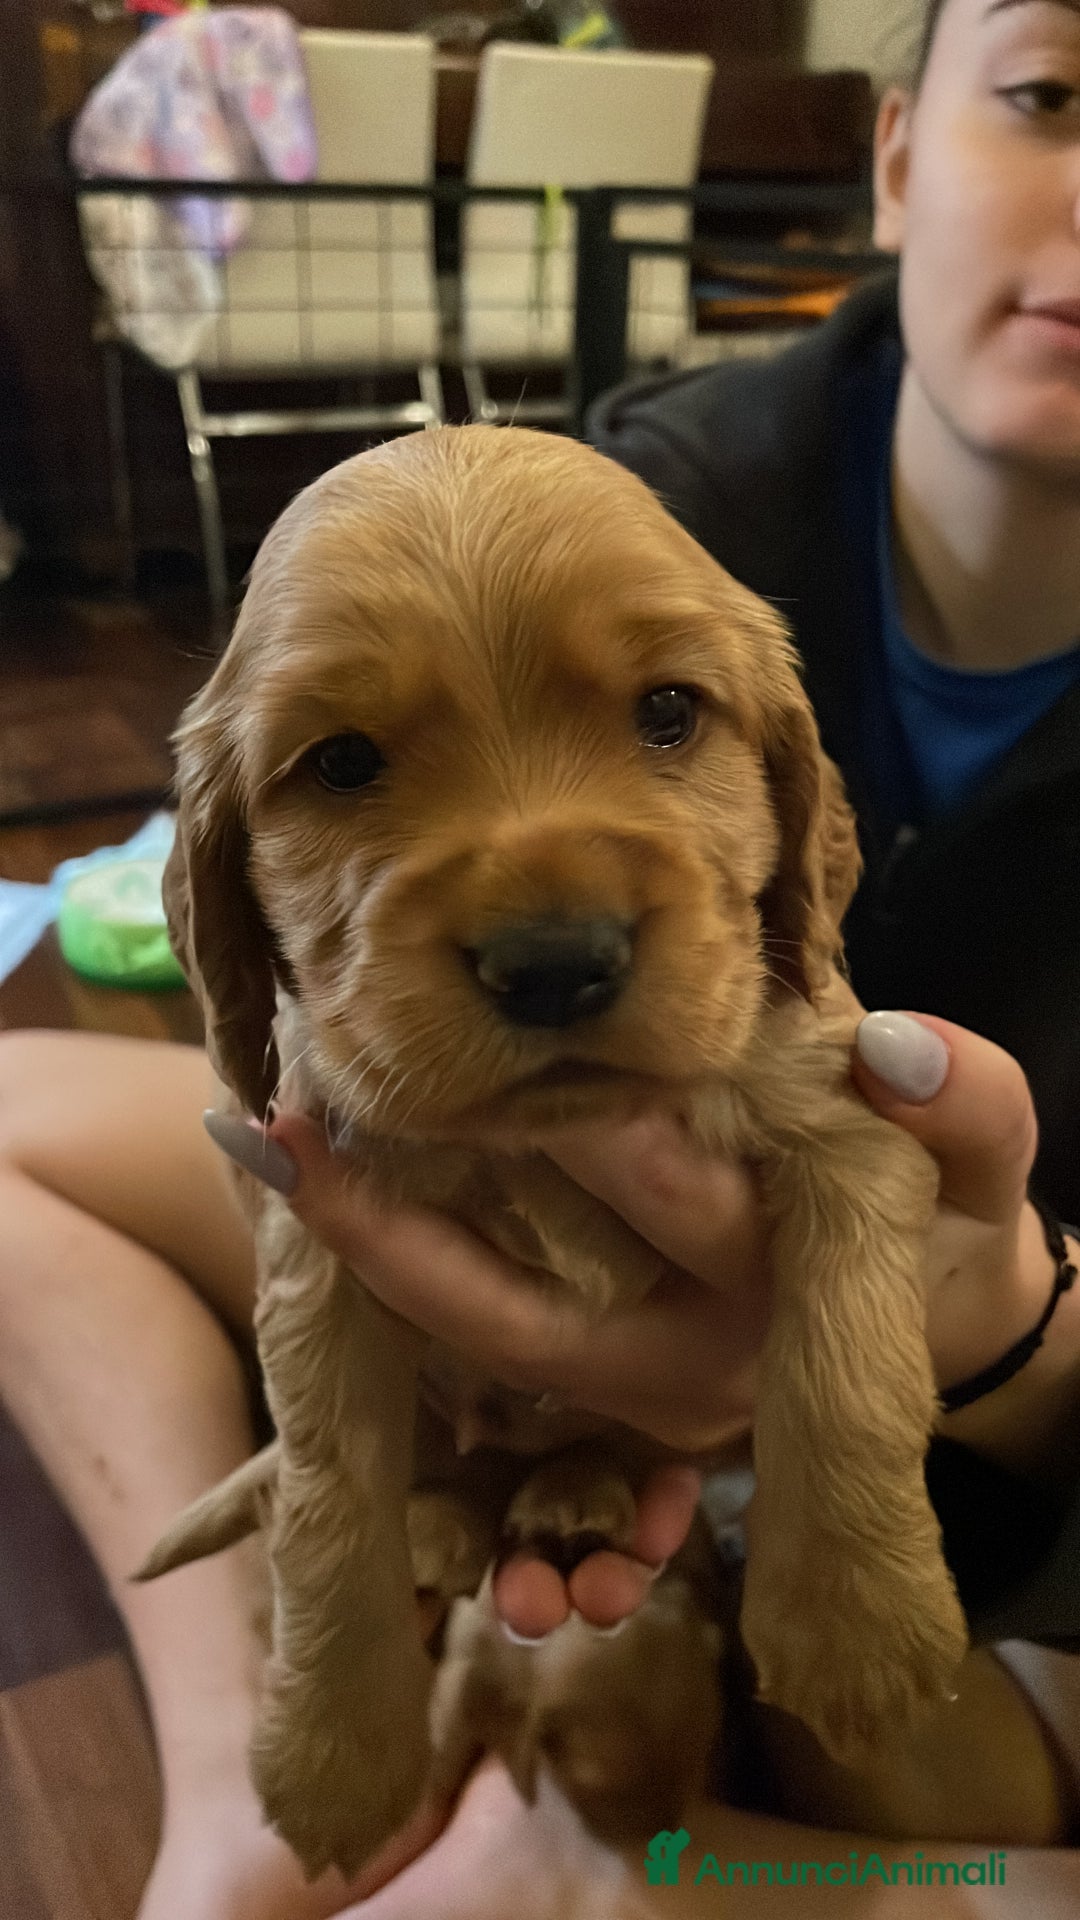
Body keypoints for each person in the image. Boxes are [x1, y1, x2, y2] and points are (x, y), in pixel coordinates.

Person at [2, 0, 1080, 1911]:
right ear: (902, 147)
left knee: (914, 1823)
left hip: (1030, 1505)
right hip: (447, 1194)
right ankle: (256, 1769)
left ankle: (613, 1861)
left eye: (662, 716)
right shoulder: (651, 487)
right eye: (1055, 92)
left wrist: (1003, 1334)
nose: (541, 909)